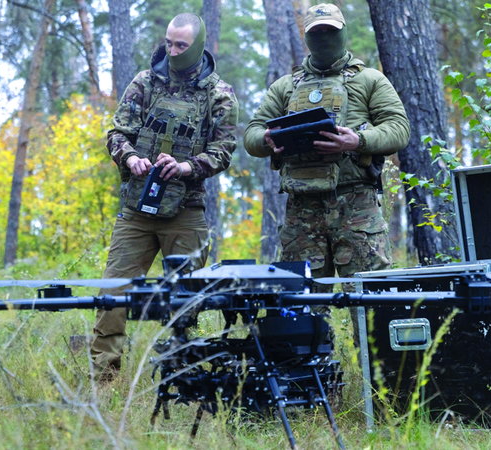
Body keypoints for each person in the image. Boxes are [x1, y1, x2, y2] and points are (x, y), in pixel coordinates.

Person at [243, 4, 410, 339]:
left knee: (371, 301)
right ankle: (314, 386)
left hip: (356, 207)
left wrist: (357, 141)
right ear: (306, 37)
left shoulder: (369, 80)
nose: (324, 38)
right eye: (316, 32)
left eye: (330, 31)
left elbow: (399, 129)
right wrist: (267, 140)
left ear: (343, 32)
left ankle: (381, 386)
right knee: (300, 307)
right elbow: (251, 134)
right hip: (301, 212)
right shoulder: (285, 87)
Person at [91, 12, 238, 381]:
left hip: (185, 212)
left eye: (181, 45)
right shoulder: (145, 82)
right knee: (113, 294)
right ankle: (103, 383)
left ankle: (185, 379)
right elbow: (116, 134)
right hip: (137, 210)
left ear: (198, 46)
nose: (172, 51)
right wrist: (132, 157)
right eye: (169, 43)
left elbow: (224, 150)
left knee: (185, 302)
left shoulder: (218, 93)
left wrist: (187, 167)